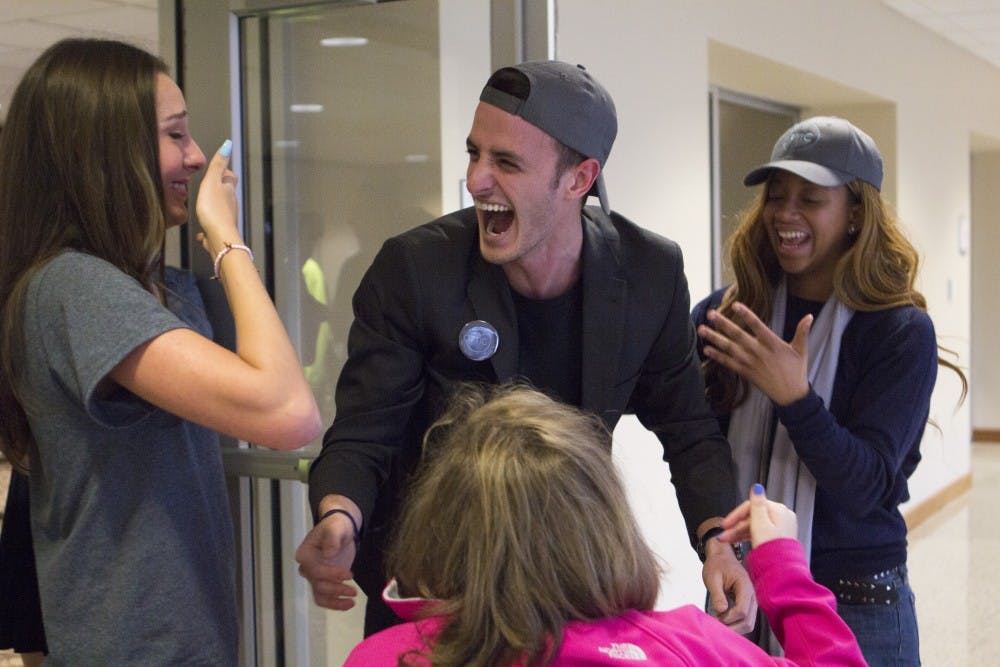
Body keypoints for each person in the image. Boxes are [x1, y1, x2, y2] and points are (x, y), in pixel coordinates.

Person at [296, 60, 753, 636]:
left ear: (579, 179)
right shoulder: (415, 271)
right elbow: (365, 431)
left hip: (568, 590)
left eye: (506, 162)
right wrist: (339, 514)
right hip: (434, 592)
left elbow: (689, 429)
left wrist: (719, 542)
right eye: (474, 154)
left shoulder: (648, 273)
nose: (475, 180)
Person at [0, 38, 323, 665]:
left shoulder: (159, 288)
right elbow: (288, 412)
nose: (197, 156)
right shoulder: (73, 287)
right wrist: (225, 237)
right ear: (105, 151)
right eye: (175, 135)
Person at [693, 115, 967, 665]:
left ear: (856, 213)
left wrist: (796, 400)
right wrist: (715, 543)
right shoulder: (728, 316)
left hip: (856, 602)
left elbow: (866, 486)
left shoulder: (898, 331)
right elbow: (697, 449)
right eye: (776, 196)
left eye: (810, 199)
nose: (784, 213)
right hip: (742, 590)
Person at [342, 384, 866, 666]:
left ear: (438, 531)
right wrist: (781, 563)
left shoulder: (384, 656)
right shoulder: (690, 646)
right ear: (603, 526)